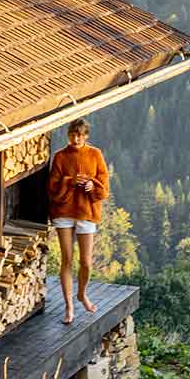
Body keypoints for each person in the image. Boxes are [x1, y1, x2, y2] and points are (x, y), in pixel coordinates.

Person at [48, 117, 110, 324]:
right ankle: (69, 306)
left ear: (86, 136)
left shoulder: (95, 154)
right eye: (73, 135)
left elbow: (104, 187)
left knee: (86, 262)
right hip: (64, 212)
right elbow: (53, 188)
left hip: (86, 212)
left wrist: (92, 186)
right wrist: (70, 181)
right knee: (67, 259)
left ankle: (81, 294)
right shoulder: (60, 157)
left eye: (80, 135)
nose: (76, 138)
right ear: (68, 135)